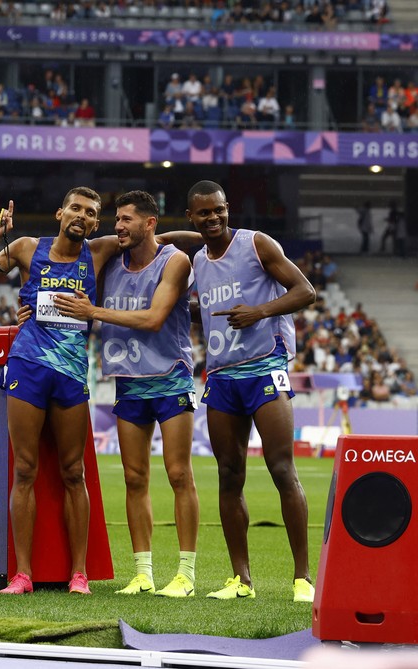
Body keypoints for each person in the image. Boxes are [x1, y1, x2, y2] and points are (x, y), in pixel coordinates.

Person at [0, 189, 115, 595]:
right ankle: (22, 575)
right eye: (75, 208)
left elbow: (158, 237)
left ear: (96, 223)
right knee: (25, 470)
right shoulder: (27, 248)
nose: (81, 216)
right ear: (60, 212)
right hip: (27, 367)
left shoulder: (97, 254)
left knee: (73, 473)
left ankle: (78, 574)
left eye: (91, 213)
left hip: (72, 373)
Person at [51, 191, 200, 599]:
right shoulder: (110, 265)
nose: (117, 226)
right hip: (128, 382)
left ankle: (185, 574)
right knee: (134, 479)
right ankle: (143, 573)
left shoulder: (175, 261)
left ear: (150, 224)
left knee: (178, 474)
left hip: (171, 377)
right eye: (116, 219)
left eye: (127, 219)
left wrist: (94, 313)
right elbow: (65, 289)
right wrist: (33, 309)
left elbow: (153, 319)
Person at [185, 180, 316, 602]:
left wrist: (260, 311)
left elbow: (305, 291)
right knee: (228, 474)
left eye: (219, 209)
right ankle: (241, 580)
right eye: (204, 212)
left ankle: (302, 578)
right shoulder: (197, 262)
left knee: (281, 468)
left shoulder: (256, 243)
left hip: (264, 368)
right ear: (192, 217)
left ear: (228, 208)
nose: (213, 217)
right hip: (221, 375)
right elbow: (206, 308)